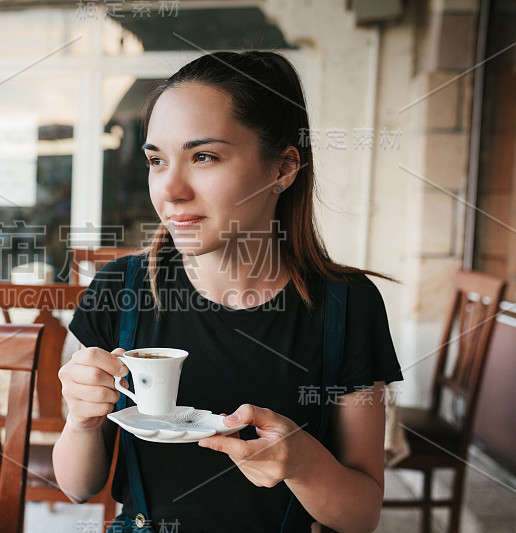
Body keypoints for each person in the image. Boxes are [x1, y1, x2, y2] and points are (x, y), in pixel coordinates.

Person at [53, 51, 403, 533]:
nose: (170, 189)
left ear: (282, 168)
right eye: (157, 160)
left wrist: (302, 462)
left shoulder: (347, 304)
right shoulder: (120, 289)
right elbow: (76, 486)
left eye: (204, 157)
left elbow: (361, 516)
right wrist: (82, 421)